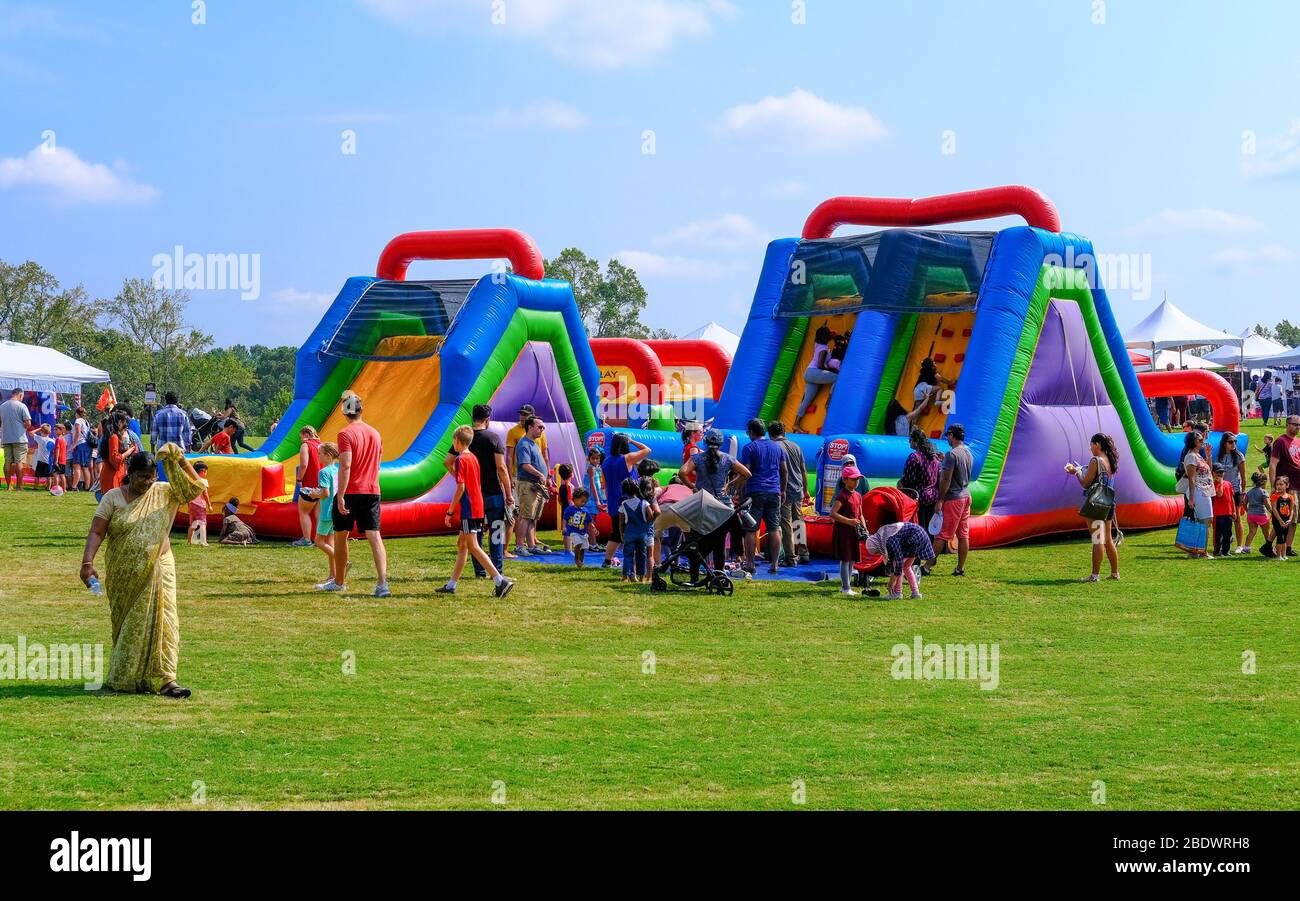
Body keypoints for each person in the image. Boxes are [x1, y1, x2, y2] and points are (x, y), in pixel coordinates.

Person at [79, 446, 206, 697]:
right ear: (129, 472)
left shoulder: (163, 492)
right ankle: (127, 677)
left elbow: (197, 487)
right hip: (124, 573)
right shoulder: (113, 497)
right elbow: (97, 531)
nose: (147, 482)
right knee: (128, 624)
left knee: (166, 622)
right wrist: (87, 562)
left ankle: (166, 679)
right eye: (141, 476)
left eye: (151, 476)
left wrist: (179, 459)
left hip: (160, 568)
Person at [436, 426, 516, 597]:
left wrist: (449, 512)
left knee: (473, 545)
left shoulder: (460, 460)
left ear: (457, 441)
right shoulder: (473, 458)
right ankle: (451, 585)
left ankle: (499, 581)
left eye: (453, 440)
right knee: (462, 545)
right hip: (478, 506)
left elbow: (460, 488)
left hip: (470, 508)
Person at [332, 392, 390, 597]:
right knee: (374, 536)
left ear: (344, 413)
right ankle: (382, 583)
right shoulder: (376, 433)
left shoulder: (345, 434)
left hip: (351, 490)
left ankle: (339, 581)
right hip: (372, 490)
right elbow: (378, 463)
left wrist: (340, 495)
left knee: (340, 536)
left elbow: (346, 465)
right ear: (361, 410)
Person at [680, 429, 750, 570]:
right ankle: (719, 572)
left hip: (704, 503)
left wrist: (693, 487)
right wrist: (729, 484)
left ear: (706, 442)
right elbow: (746, 473)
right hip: (722, 506)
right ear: (720, 443)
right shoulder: (727, 458)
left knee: (697, 539)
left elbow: (682, 472)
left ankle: (694, 572)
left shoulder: (698, 458)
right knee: (720, 541)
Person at [465, 404, 512, 578]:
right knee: (496, 531)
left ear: (472, 418)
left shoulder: (465, 438)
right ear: (487, 420)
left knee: (475, 533)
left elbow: (448, 461)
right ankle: (497, 570)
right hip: (493, 492)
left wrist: (461, 478)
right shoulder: (493, 438)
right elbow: (501, 467)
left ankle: (480, 570)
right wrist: (508, 493)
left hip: (472, 494)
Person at [1066, 433, 1120, 581]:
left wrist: (1076, 472)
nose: (1090, 448)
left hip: (1096, 505)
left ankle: (1095, 575)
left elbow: (1085, 482)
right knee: (1108, 539)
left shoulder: (1095, 460)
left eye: (1091, 445)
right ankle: (1115, 573)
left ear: (1097, 445)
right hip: (1109, 503)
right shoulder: (1109, 460)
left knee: (1097, 539)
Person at [737, 418, 788, 575]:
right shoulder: (777, 447)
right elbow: (784, 470)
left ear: (751, 432)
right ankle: (774, 564)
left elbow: (745, 472)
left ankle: (750, 564)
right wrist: (783, 490)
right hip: (774, 492)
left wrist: (739, 491)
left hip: (755, 492)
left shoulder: (749, 448)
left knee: (751, 530)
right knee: (774, 529)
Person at [601, 433, 652, 568]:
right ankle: (633, 563)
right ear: (625, 444)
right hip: (628, 501)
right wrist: (632, 440)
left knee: (616, 533)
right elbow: (647, 450)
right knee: (634, 531)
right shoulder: (627, 458)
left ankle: (607, 560)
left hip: (613, 500)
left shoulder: (606, 461)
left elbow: (605, 484)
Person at [768, 421, 811, 567]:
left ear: (770, 434)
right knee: (798, 521)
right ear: (784, 433)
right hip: (798, 489)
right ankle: (803, 552)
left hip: (783, 490)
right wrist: (805, 490)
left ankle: (790, 557)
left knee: (786, 524)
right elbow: (803, 470)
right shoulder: (796, 446)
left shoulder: (774, 447)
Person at [302, 442, 342, 589]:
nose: (318, 456)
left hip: (326, 512)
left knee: (319, 541)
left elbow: (325, 493)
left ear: (328, 455)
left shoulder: (323, 472)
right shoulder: (337, 470)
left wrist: (314, 494)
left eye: (320, 454)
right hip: (335, 510)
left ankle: (342, 561)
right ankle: (333, 575)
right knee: (330, 543)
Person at [934, 423, 973, 575]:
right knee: (963, 534)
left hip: (953, 499)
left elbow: (946, 480)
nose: (947, 439)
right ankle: (960, 568)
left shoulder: (952, 454)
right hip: (966, 495)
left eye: (947, 436)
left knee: (942, 534)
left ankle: (927, 566)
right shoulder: (967, 452)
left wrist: (940, 500)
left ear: (951, 435)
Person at [865, 520, 935, 600]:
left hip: (915, 537)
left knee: (897, 564)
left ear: (876, 545)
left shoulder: (889, 540)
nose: (879, 553)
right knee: (907, 566)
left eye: (877, 551)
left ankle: (897, 593)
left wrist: (892, 580)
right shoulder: (882, 536)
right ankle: (916, 593)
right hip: (919, 534)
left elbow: (899, 561)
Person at [513, 416, 552, 556]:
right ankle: (519, 546)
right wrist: (540, 474)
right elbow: (525, 465)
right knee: (525, 515)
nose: (542, 429)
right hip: (528, 484)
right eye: (540, 427)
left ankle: (531, 545)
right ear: (530, 427)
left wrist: (547, 476)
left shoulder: (534, 443)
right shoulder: (524, 444)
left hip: (536, 485)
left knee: (533, 516)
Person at [830, 464, 868, 597]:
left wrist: (864, 528)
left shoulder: (858, 495)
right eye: (853, 479)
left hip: (854, 532)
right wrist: (849, 521)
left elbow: (860, 514)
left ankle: (847, 586)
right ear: (845, 479)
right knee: (845, 559)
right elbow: (833, 513)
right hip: (843, 532)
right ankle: (845, 587)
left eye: (858, 479)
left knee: (852, 559)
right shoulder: (842, 495)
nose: (856, 482)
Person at [794, 325, 838, 432]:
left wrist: (831, 334)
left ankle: (796, 424)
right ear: (825, 337)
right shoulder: (823, 348)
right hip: (814, 372)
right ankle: (828, 402)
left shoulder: (817, 344)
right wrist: (833, 370)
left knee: (807, 400)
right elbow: (820, 365)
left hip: (809, 373)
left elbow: (827, 335)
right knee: (837, 378)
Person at [1180, 430, 1215, 559]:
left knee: (1203, 521)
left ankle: (1195, 551)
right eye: (1200, 440)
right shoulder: (1191, 457)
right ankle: (1201, 551)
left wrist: (1208, 456)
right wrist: (1192, 498)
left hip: (1203, 491)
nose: (1203, 441)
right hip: (1198, 492)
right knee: (1205, 521)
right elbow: (1191, 478)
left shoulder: (1198, 455)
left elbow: (1208, 471)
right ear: (1193, 442)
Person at [899, 428, 943, 530]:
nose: (909, 442)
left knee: (920, 529)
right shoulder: (934, 457)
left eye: (910, 439)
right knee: (931, 530)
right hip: (933, 497)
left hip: (919, 499)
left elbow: (908, 480)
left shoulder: (914, 457)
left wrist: (900, 484)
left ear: (916, 441)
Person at [619, 477, 655, 583]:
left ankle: (626, 576)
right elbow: (651, 515)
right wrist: (649, 521)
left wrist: (622, 534)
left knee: (628, 555)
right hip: (642, 533)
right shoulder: (644, 503)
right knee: (642, 555)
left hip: (629, 533)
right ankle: (641, 576)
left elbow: (621, 522)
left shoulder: (623, 505)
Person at [1217, 433, 1248, 554]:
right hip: (1222, 491)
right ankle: (1225, 540)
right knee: (1222, 518)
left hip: (1234, 490)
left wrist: (1243, 492)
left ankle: (1240, 545)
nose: (1233, 444)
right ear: (1225, 443)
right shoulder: (1219, 456)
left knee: (1237, 518)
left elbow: (1244, 476)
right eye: (1231, 442)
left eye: (1235, 441)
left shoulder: (1239, 456)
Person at [293, 426, 323, 547]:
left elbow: (304, 465)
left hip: (309, 484)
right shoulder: (321, 445)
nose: (301, 440)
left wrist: (299, 479)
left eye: (301, 437)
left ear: (305, 434)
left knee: (304, 512)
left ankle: (306, 540)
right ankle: (320, 539)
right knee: (318, 513)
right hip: (322, 485)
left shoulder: (306, 445)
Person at [506, 404, 549, 479]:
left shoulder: (540, 432)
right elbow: (509, 456)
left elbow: (545, 455)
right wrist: (510, 477)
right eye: (521, 414)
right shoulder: (512, 432)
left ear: (532, 416)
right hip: (520, 476)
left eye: (525, 414)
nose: (522, 417)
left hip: (538, 477)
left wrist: (548, 476)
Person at [1, 387, 32, 490]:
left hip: (6, 438)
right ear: (20, 395)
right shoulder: (22, 406)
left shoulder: (2, 406)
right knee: (19, 462)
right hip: (19, 439)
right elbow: (28, 423)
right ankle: (19, 486)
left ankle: (9, 486)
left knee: (8, 462)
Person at [1263, 474, 1297, 559]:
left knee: (1285, 537)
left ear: (1287, 485)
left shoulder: (1290, 497)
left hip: (1286, 520)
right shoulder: (1275, 496)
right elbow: (1274, 509)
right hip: (1277, 520)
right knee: (1280, 538)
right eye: (1277, 484)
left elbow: (1291, 510)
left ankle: (1284, 555)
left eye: (1281, 484)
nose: (1279, 486)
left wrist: (1289, 520)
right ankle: (1278, 556)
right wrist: (1280, 520)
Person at [97, 412, 129, 497]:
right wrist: (129, 451)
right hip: (112, 475)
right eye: (123, 422)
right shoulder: (114, 437)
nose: (125, 426)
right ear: (119, 423)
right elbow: (114, 459)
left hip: (110, 473)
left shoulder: (108, 436)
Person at [1209, 464, 1237, 558]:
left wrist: (1234, 511)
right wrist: (1220, 482)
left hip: (1228, 512)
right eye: (1218, 472)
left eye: (1222, 472)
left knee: (1227, 533)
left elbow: (1231, 498)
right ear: (1213, 473)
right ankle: (1217, 551)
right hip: (1218, 513)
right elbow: (1219, 494)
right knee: (1218, 533)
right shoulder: (1214, 484)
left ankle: (1226, 551)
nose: (1220, 474)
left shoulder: (1228, 484)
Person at [563, 488, 594, 567]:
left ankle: (581, 561)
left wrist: (594, 528)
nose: (583, 503)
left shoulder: (585, 511)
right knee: (578, 543)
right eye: (582, 501)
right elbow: (565, 519)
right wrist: (564, 527)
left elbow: (590, 521)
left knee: (583, 547)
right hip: (573, 531)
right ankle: (576, 560)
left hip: (583, 532)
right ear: (575, 499)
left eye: (585, 502)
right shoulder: (569, 509)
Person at [187, 461, 211, 546]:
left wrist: (188, 505)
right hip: (200, 506)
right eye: (206, 472)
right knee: (202, 523)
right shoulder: (203, 481)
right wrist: (209, 505)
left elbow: (189, 494)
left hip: (192, 505)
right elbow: (205, 494)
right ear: (202, 471)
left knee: (193, 524)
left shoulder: (192, 480)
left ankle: (189, 541)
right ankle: (203, 541)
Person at [70, 406, 93, 490]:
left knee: (77, 466)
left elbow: (77, 433)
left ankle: (74, 486)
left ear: (77, 413)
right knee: (85, 467)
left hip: (80, 445)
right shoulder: (87, 422)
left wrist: (74, 445)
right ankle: (87, 486)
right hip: (87, 446)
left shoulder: (78, 421)